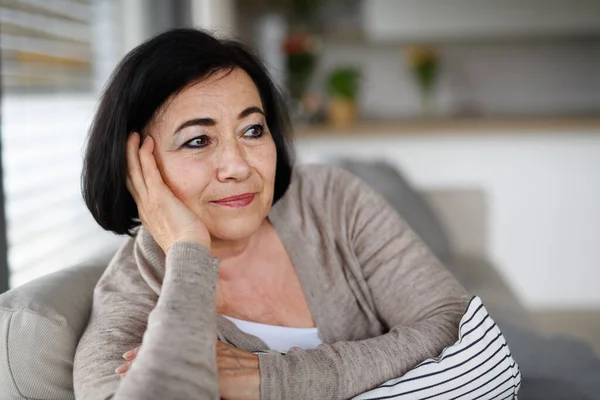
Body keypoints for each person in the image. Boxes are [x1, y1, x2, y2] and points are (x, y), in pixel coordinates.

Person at [73, 28, 469, 400]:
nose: (238, 166)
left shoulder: (330, 199)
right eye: (198, 140)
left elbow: (456, 327)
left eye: (252, 131)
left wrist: (272, 377)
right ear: (135, 167)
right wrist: (188, 250)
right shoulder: (130, 300)